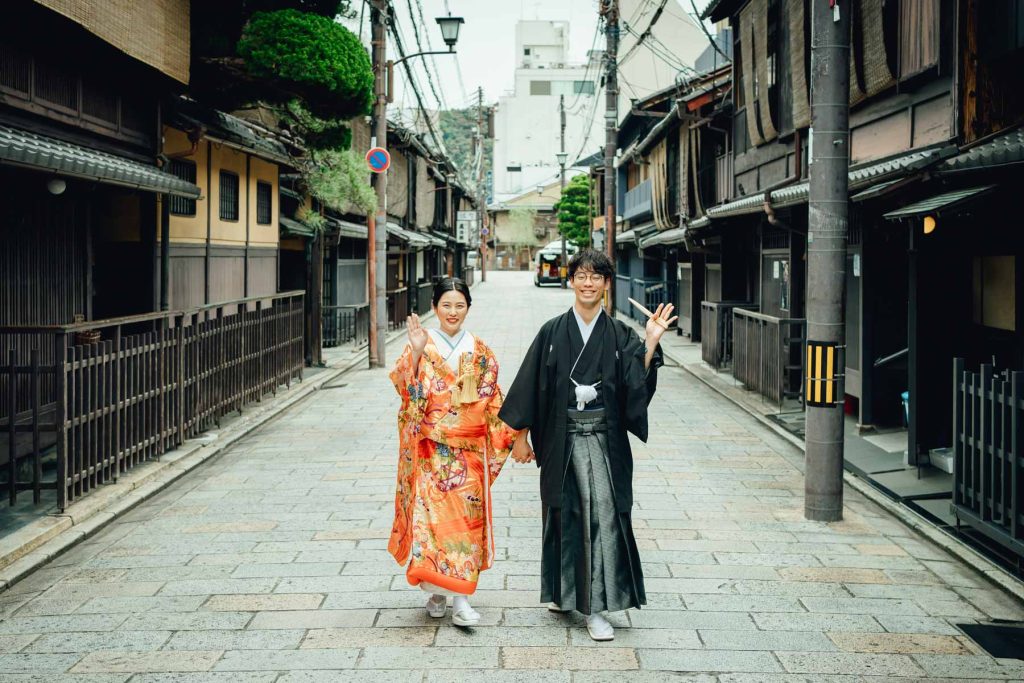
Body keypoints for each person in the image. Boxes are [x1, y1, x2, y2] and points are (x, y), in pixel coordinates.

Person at [499, 249, 675, 641]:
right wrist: (520, 438)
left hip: (603, 442)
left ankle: (596, 607)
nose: (588, 282)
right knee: (563, 517)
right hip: (561, 441)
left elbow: (634, 385)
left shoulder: (619, 334)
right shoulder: (551, 331)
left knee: (602, 519)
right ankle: (564, 594)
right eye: (581, 275)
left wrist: (649, 343)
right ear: (571, 281)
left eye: (597, 276)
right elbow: (530, 384)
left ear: (607, 285)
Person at [388, 277, 518, 627]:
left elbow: (493, 401)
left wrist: (517, 434)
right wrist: (414, 353)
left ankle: (461, 600)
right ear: (434, 308)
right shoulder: (422, 343)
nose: (452, 312)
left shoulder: (480, 350)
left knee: (465, 527)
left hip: (469, 454)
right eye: (446, 305)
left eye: (459, 305)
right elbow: (406, 392)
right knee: (431, 527)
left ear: (468, 309)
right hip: (431, 453)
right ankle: (436, 591)